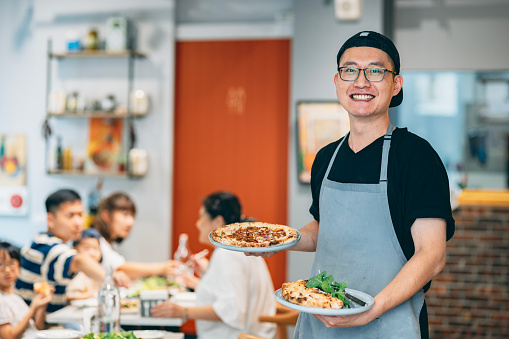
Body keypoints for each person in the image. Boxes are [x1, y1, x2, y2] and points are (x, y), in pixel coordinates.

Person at [249, 31, 455, 338]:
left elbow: (432, 254)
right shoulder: (325, 157)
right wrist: (279, 240)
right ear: (337, 82)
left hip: (388, 324)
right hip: (321, 320)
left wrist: (369, 310)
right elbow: (325, 229)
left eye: (375, 71)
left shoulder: (415, 156)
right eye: (350, 70)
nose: (361, 82)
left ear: (395, 84)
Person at [151, 191, 276, 339]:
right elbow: (237, 292)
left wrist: (182, 311)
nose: (197, 224)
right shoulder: (244, 248)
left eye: (201, 216)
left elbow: (232, 310)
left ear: (217, 222)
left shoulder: (227, 254)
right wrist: (206, 275)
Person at [15, 189, 105, 313]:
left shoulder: (50, 242)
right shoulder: (45, 246)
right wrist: (110, 279)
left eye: (80, 215)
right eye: (70, 215)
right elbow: (78, 261)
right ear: (50, 220)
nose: (78, 222)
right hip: (33, 327)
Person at [91, 192, 178, 280]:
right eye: (125, 214)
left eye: (132, 216)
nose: (131, 222)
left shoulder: (110, 244)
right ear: (106, 216)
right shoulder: (94, 242)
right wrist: (159, 269)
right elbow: (119, 267)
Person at [0, 241, 53, 339]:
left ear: (19, 266)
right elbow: (8, 337)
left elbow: (37, 328)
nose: (7, 270)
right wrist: (33, 308)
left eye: (11, 263)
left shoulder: (14, 295)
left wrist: (41, 305)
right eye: (0, 265)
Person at [66, 228, 103, 301]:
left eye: (96, 248)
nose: (92, 253)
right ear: (75, 250)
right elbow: (67, 296)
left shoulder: (100, 271)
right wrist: (90, 294)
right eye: (87, 248)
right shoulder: (74, 274)